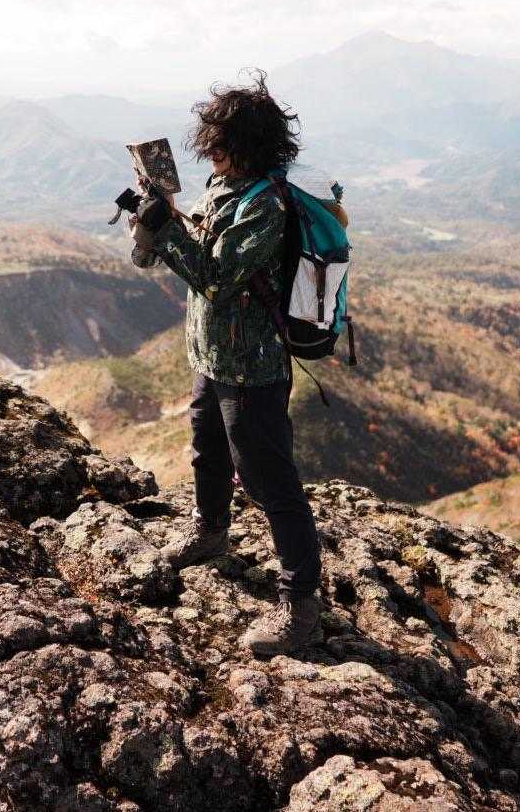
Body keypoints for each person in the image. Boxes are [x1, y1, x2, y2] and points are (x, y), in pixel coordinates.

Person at [133, 72, 323, 658]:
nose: (211, 151)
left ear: (250, 145)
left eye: (221, 142)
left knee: (269, 481)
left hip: (252, 368)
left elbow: (215, 278)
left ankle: (301, 604)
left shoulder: (265, 205)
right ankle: (211, 531)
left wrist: (166, 230)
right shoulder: (224, 187)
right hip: (211, 354)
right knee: (207, 449)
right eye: (210, 140)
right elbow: (191, 251)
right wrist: (157, 219)